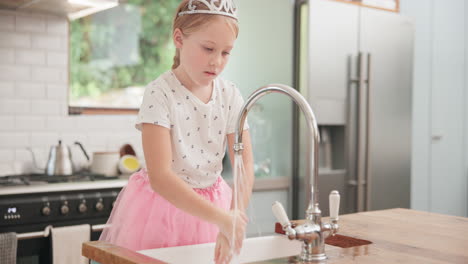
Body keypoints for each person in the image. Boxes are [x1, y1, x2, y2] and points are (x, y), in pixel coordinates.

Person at [99, 0, 254, 263]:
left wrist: (232, 218)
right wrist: (221, 219)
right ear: (179, 38)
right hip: (161, 210)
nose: (216, 62)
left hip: (215, 209)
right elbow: (160, 177)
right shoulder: (159, 94)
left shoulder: (230, 96)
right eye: (208, 48)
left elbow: (244, 164)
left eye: (226, 52)